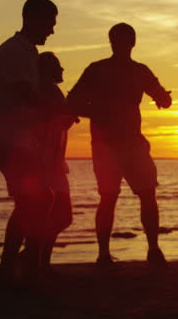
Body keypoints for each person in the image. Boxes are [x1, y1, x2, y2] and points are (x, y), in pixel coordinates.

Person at [66, 23, 172, 268]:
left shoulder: (119, 70)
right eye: (120, 41)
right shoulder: (104, 70)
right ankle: (120, 252)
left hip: (126, 144)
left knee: (130, 197)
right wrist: (100, 112)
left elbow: (163, 99)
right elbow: (73, 102)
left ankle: (143, 250)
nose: (123, 45)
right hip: (110, 145)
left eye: (124, 41)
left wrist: (163, 98)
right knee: (121, 197)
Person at [0, 0, 57, 282]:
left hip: (17, 139)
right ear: (34, 19)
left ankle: (20, 267)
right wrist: (56, 109)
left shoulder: (24, 51)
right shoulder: (16, 50)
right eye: (50, 23)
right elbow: (26, 96)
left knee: (37, 200)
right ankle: (20, 269)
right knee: (35, 200)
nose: (52, 30)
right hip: (8, 139)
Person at [24, 52, 76, 270]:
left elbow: (62, 124)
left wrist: (70, 114)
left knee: (60, 216)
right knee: (56, 215)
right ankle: (35, 259)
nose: (62, 70)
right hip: (43, 163)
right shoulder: (43, 93)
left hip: (54, 163)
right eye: (58, 66)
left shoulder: (53, 92)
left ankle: (38, 259)